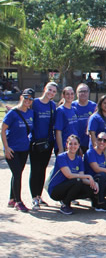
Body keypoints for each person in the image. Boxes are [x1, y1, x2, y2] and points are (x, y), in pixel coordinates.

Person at [47, 134, 99, 215]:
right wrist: (88, 176)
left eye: (75, 144)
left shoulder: (79, 159)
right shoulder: (61, 157)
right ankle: (65, 204)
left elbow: (82, 178)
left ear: (78, 145)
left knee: (90, 188)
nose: (73, 146)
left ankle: (96, 202)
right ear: (66, 145)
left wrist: (94, 183)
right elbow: (69, 175)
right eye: (70, 143)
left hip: (69, 186)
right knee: (77, 181)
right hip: (56, 189)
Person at [2, 88, 34, 212]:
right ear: (21, 97)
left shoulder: (30, 113)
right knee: (17, 174)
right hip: (12, 149)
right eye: (26, 97)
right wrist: (6, 147)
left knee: (17, 173)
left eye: (30, 99)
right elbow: (3, 129)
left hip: (24, 148)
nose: (28, 100)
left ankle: (12, 198)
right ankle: (18, 201)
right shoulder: (13, 113)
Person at [29, 82, 57, 210]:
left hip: (47, 142)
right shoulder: (34, 103)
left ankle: (39, 195)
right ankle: (33, 197)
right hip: (35, 142)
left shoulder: (52, 105)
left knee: (42, 169)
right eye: (49, 90)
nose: (51, 93)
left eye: (53, 91)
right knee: (35, 169)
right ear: (44, 89)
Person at [72, 83, 97, 154]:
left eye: (85, 91)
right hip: (74, 144)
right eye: (80, 91)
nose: (83, 93)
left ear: (88, 93)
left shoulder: (94, 107)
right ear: (76, 93)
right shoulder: (71, 106)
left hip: (90, 143)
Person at [54, 86, 78, 153]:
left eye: (72, 94)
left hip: (74, 146)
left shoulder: (74, 109)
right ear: (63, 95)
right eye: (67, 94)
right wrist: (61, 149)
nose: (70, 96)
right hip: (65, 146)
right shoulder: (60, 110)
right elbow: (58, 131)